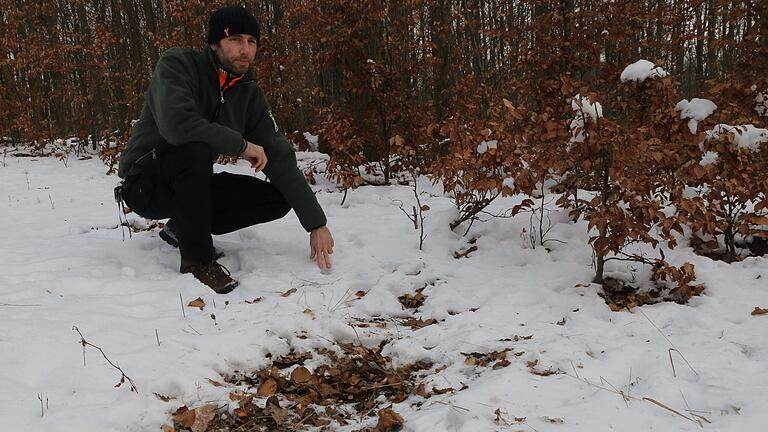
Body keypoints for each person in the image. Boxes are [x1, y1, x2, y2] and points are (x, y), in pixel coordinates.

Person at [116, 5, 333, 294]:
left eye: (252, 42)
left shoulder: (248, 93)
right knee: (192, 149)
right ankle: (197, 261)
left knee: (279, 198)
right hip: (147, 184)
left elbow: (278, 156)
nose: (245, 49)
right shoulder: (177, 65)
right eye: (236, 40)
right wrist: (241, 145)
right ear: (215, 43)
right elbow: (177, 127)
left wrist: (316, 222)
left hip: (192, 184)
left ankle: (181, 228)